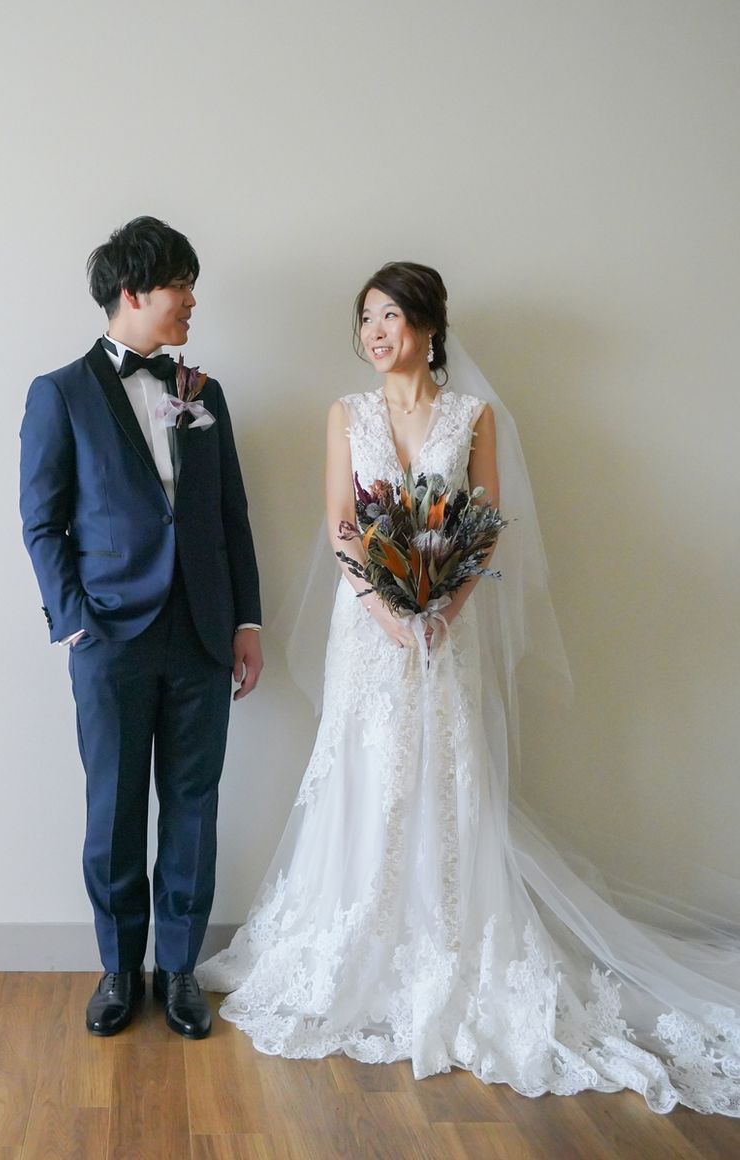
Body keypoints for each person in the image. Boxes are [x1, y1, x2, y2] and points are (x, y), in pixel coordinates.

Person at [198, 262, 740, 1115]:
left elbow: (484, 527)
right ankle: (355, 938)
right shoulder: (347, 413)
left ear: (428, 324)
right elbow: (341, 524)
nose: (376, 332)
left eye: (391, 315)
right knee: (367, 766)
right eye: (366, 318)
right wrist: (386, 612)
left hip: (446, 630)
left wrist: (441, 610)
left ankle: (448, 938)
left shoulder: (471, 416)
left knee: (444, 773)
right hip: (368, 628)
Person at [20, 216, 263, 1039]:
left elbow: (229, 515)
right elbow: (42, 524)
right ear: (132, 293)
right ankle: (120, 971)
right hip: (108, 637)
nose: (191, 301)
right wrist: (75, 624)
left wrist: (245, 620)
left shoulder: (204, 393)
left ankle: (181, 971)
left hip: (202, 631)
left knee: (193, 806)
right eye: (178, 286)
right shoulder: (59, 393)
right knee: (115, 809)